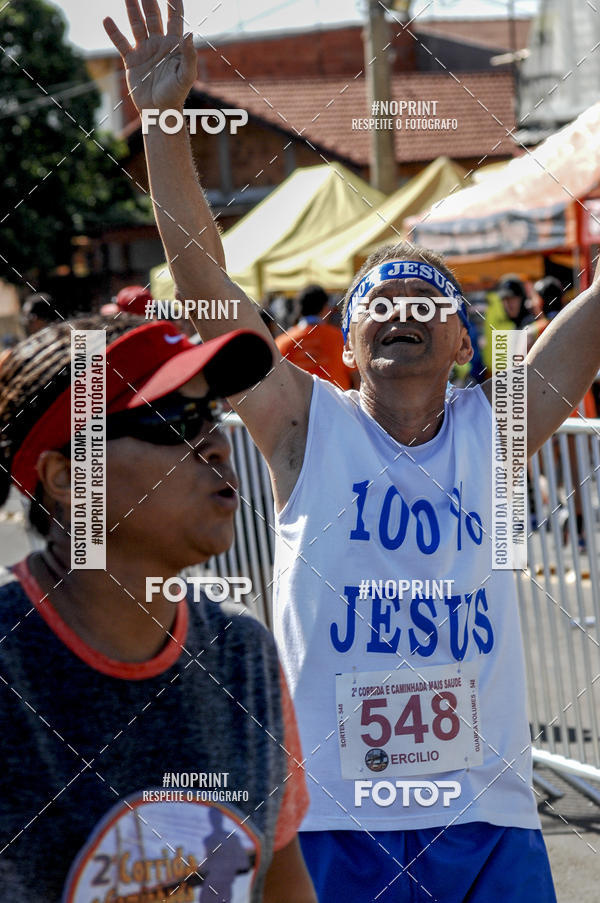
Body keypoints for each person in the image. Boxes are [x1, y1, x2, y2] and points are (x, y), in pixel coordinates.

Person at [105, 2, 600, 898]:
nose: (402, 306)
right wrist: (168, 128)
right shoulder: (306, 425)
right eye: (379, 297)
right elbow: (205, 284)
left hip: (490, 820)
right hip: (335, 818)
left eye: (427, 299)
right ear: (349, 338)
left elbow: (591, 325)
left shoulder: (494, 430)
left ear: (463, 345)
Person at [0, 313, 316, 902]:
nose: (217, 442)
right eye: (172, 420)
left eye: (212, 415)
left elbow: (281, 884)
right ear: (70, 478)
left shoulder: (241, 653)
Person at [275, 285, 355, 390]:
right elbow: (356, 377)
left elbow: (276, 383)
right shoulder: (341, 338)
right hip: (337, 403)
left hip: (298, 405)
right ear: (325, 308)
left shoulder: (281, 343)